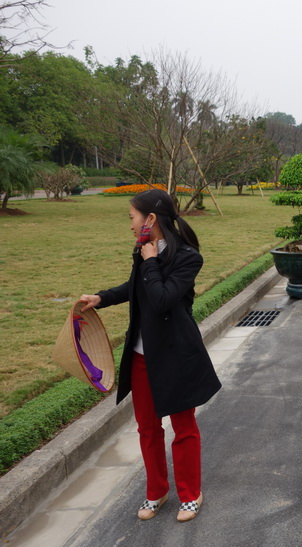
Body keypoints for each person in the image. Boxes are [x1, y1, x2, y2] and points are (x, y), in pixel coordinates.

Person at [80, 189, 221, 523]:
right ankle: (157, 491)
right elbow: (136, 289)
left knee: (183, 427)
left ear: (151, 219)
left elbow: (161, 299)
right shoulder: (143, 252)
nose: (130, 225)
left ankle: (191, 494)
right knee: (147, 428)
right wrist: (101, 297)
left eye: (132, 217)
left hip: (176, 356)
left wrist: (152, 261)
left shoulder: (187, 257)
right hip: (142, 356)